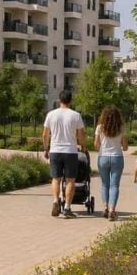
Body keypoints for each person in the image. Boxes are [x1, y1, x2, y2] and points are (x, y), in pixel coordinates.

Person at [42, 90, 86, 219]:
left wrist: (46, 148)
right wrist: (83, 146)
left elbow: (45, 134)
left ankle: (56, 201)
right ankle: (67, 207)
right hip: (70, 151)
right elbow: (81, 134)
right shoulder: (76, 115)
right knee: (70, 180)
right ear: (71, 101)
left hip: (55, 150)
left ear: (59, 100)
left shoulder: (51, 114)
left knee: (56, 178)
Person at [94, 105, 128, 221]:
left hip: (103, 157)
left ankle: (105, 207)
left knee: (104, 184)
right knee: (114, 185)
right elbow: (125, 147)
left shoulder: (100, 128)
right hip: (117, 157)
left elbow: (96, 145)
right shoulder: (121, 128)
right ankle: (112, 210)